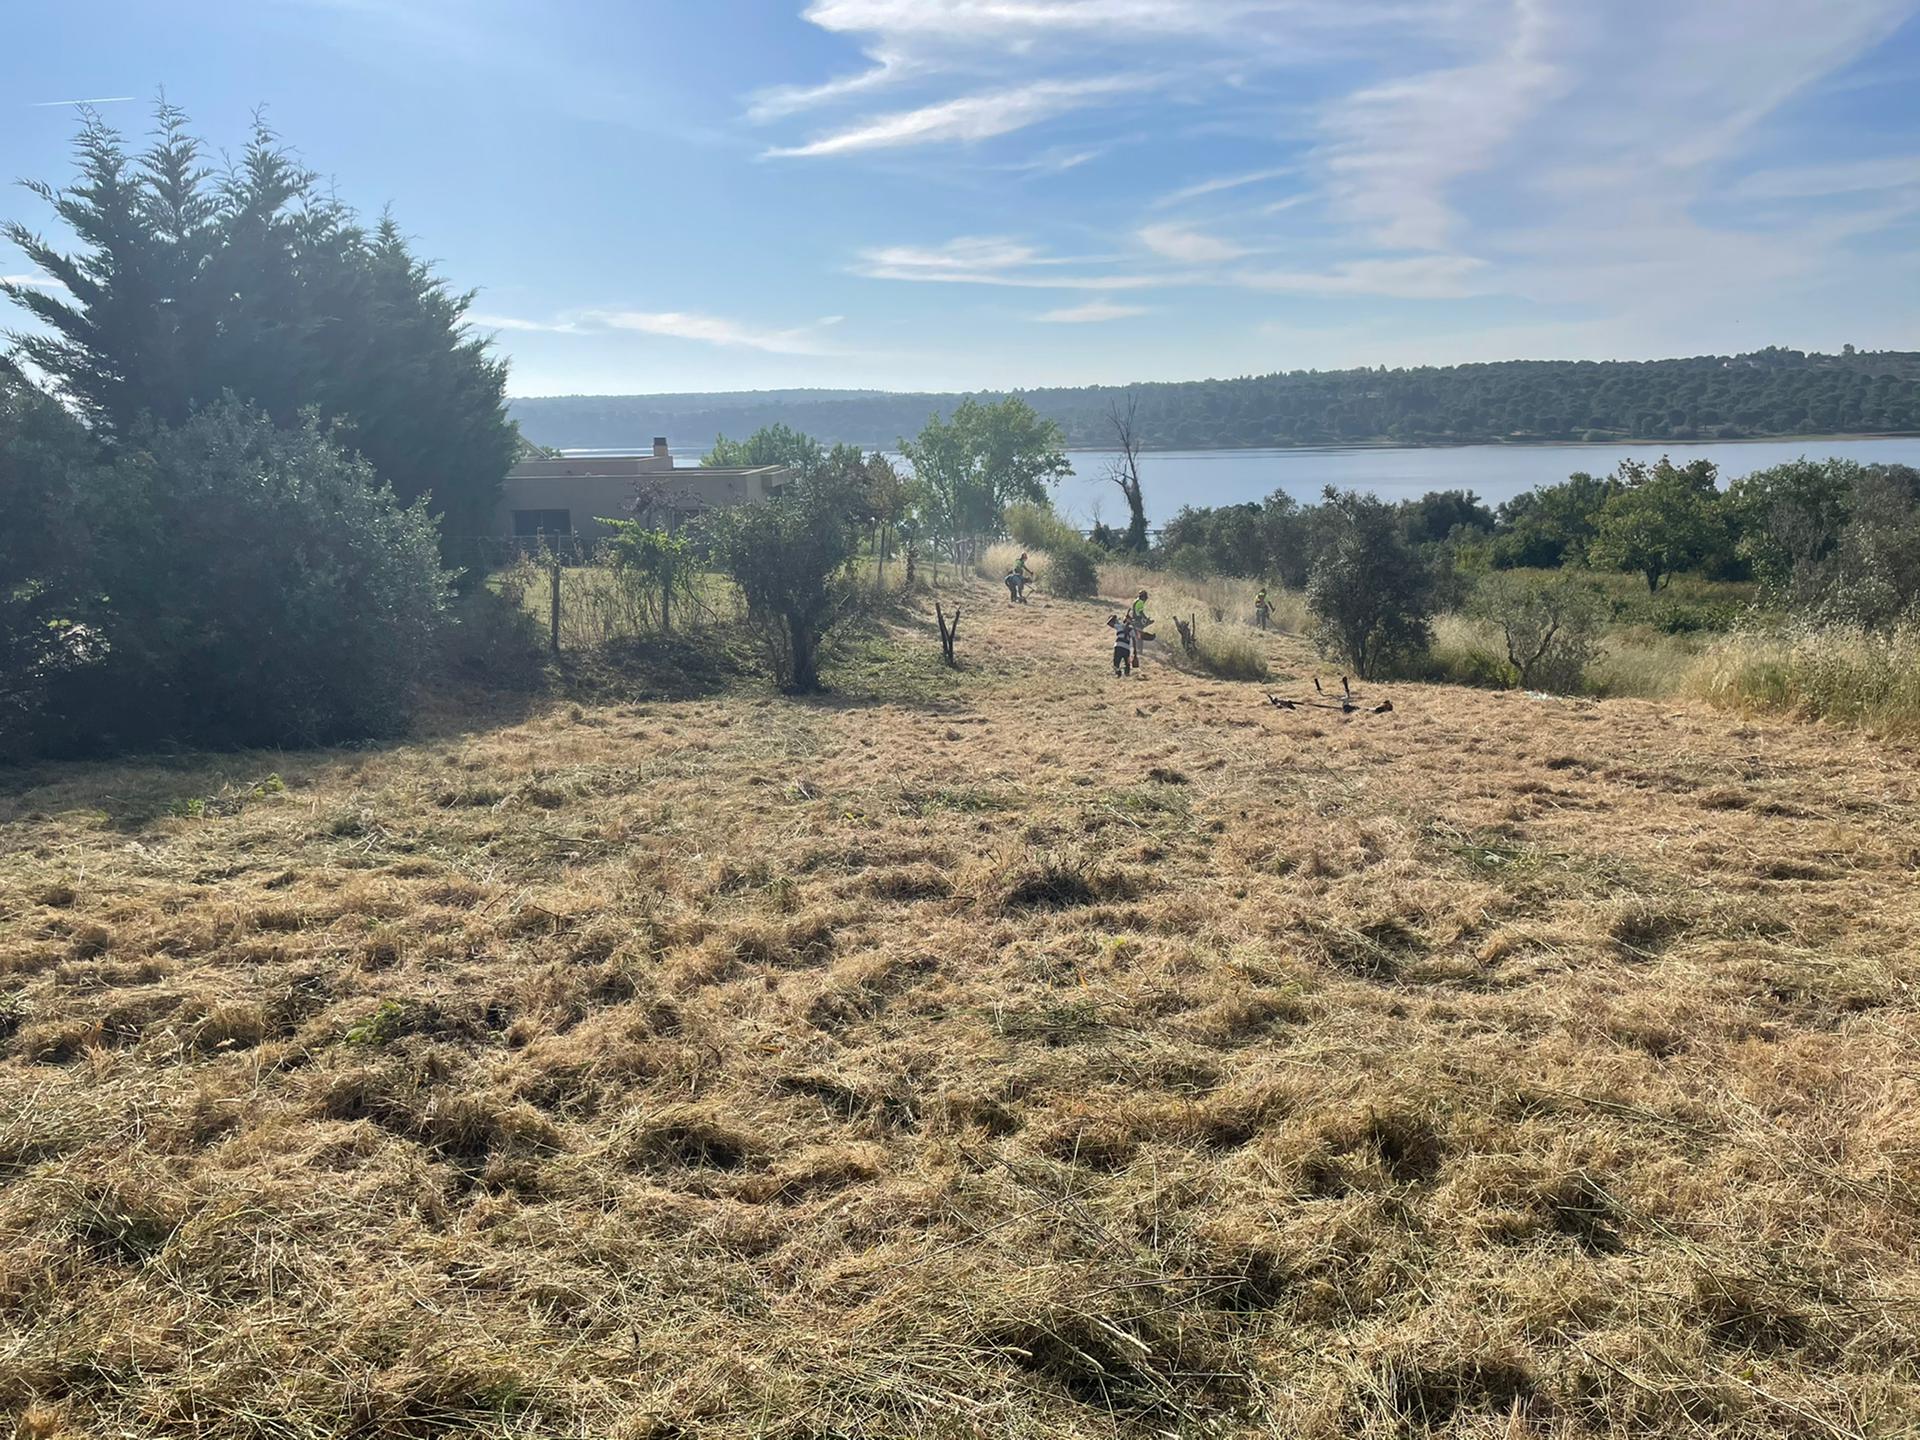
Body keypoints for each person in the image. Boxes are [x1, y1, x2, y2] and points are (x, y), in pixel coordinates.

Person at [1129, 590, 1152, 672]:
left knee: (1136, 635)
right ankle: (1140, 651)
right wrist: (1146, 619)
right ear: (1144, 597)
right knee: (1140, 636)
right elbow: (1140, 612)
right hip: (1138, 621)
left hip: (1134, 620)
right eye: (1146, 597)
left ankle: (1137, 649)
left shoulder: (1136, 601)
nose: (1146, 599)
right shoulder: (1141, 602)